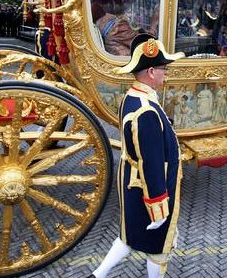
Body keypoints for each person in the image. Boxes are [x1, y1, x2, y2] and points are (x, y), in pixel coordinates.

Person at [90, 34, 185, 278]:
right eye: (164, 69)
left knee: (129, 235)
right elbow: (151, 163)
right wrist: (158, 207)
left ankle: (98, 275)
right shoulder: (146, 111)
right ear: (151, 71)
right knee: (158, 248)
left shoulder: (131, 97)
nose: (167, 74)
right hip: (148, 189)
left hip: (131, 181)